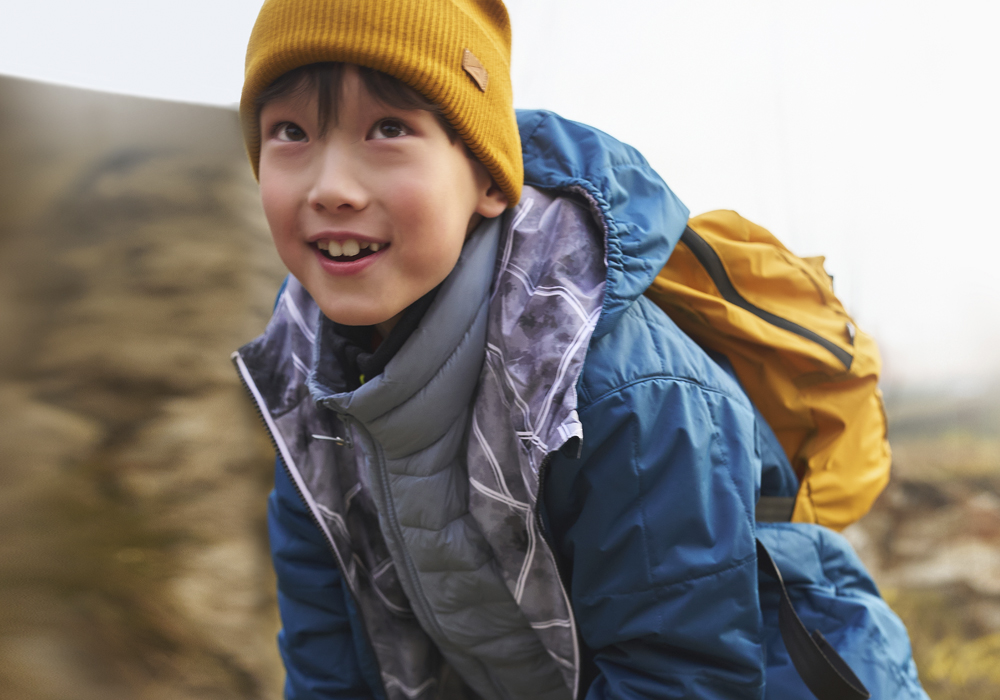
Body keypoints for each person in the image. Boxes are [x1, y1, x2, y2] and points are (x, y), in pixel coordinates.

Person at [232, 2, 929, 699]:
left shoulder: (617, 389)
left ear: (487, 178)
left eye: (389, 129)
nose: (332, 188)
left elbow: (677, 677)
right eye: (290, 132)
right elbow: (331, 665)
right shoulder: (305, 383)